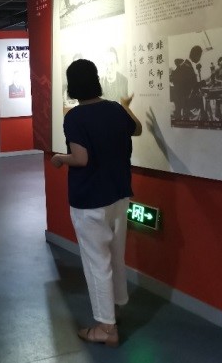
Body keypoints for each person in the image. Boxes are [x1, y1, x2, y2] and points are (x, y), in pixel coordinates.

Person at [51, 59, 142, 348]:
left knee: (96, 263)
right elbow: (137, 129)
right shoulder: (115, 109)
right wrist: (125, 106)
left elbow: (81, 159)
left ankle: (106, 328)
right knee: (115, 255)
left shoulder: (75, 117)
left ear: (72, 85)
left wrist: (59, 159)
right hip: (119, 193)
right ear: (96, 79)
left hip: (90, 199)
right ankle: (116, 307)